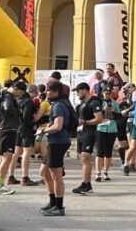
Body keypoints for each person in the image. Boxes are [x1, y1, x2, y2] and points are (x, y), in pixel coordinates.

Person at [39, 82, 74, 216]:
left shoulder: (59, 105)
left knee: (56, 175)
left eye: (50, 91)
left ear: (57, 92)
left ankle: (59, 206)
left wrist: (43, 131)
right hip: (55, 141)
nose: (47, 92)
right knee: (44, 171)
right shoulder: (58, 104)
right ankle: (52, 202)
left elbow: (58, 126)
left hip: (58, 142)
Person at [72, 82, 104, 195]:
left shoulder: (94, 102)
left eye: (78, 91)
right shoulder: (82, 104)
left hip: (89, 133)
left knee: (86, 157)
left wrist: (84, 122)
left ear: (85, 90)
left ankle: (86, 184)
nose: (77, 94)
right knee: (83, 158)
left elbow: (99, 119)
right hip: (81, 133)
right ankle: (86, 183)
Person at [0, 80, 20, 195]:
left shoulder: (1, 96)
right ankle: (1, 186)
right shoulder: (8, 97)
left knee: (2, 158)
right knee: (7, 158)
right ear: (15, 88)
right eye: (19, 93)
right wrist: (18, 112)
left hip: (2, 129)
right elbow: (8, 108)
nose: (19, 95)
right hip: (8, 129)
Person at [95, 86, 120, 183]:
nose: (108, 95)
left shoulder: (115, 103)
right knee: (99, 151)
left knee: (108, 152)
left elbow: (119, 117)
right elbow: (95, 115)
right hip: (100, 128)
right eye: (106, 94)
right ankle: (98, 173)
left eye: (109, 94)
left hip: (111, 129)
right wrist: (103, 110)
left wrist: (113, 111)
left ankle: (106, 172)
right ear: (103, 94)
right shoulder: (99, 103)